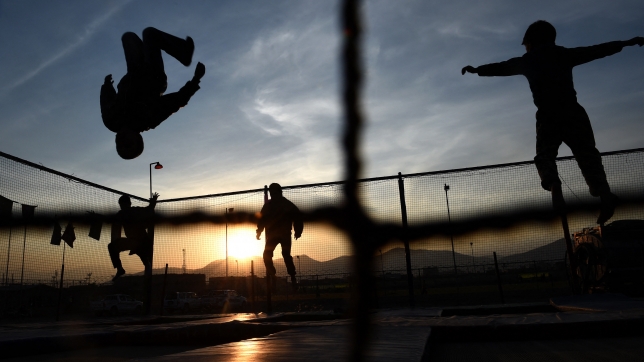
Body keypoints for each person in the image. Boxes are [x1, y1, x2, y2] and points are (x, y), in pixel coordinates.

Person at [462, 20, 644, 224]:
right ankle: (604, 195)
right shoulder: (563, 54)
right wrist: (627, 42)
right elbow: (597, 50)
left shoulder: (528, 60)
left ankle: (553, 184)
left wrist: (478, 70)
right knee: (587, 156)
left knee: (544, 157)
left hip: (548, 116)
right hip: (573, 112)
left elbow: (502, 67)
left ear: (531, 42)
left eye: (526, 44)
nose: (526, 48)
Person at [101, 27, 206, 160]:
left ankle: (161, 50)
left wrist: (107, 85)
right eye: (128, 144)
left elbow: (106, 101)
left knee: (128, 37)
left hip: (135, 72)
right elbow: (176, 101)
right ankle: (183, 53)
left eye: (119, 146)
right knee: (149, 34)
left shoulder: (111, 121)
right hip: (153, 77)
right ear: (137, 137)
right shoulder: (148, 119)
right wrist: (195, 80)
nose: (121, 142)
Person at [256, 183, 303, 290]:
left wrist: (298, 230)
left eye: (274, 192)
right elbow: (262, 219)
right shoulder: (270, 205)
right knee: (267, 255)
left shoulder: (286, 204)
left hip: (283, 234)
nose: (272, 194)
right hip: (274, 235)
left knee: (285, 254)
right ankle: (274, 277)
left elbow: (297, 216)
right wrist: (259, 231)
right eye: (271, 193)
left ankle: (292, 277)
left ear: (278, 192)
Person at [108, 193, 159, 281]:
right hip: (133, 241)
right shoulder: (122, 213)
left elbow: (149, 209)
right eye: (120, 205)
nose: (121, 207)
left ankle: (147, 266)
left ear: (128, 204)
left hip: (142, 241)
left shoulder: (133, 211)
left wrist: (154, 201)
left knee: (141, 253)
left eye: (122, 205)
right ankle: (120, 269)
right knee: (112, 246)